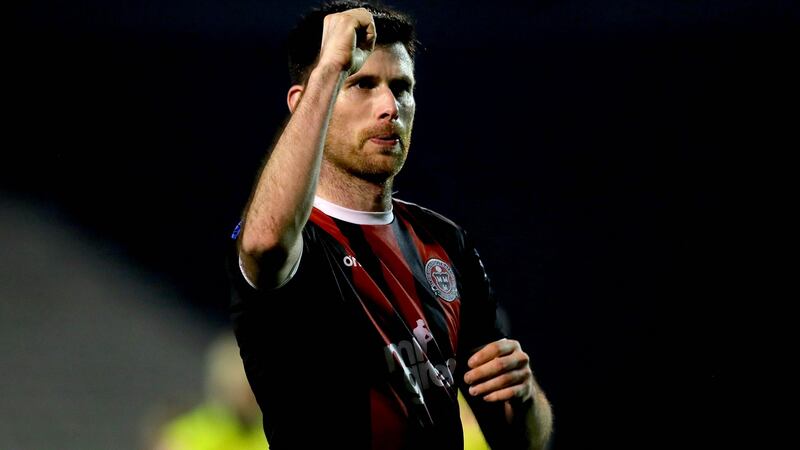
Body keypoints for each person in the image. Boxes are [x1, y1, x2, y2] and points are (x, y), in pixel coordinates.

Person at [227, 1, 553, 449]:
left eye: (401, 88)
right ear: (306, 103)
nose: (389, 107)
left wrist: (525, 397)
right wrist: (329, 67)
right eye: (360, 83)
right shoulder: (294, 239)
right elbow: (264, 241)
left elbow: (522, 439)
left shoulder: (445, 242)